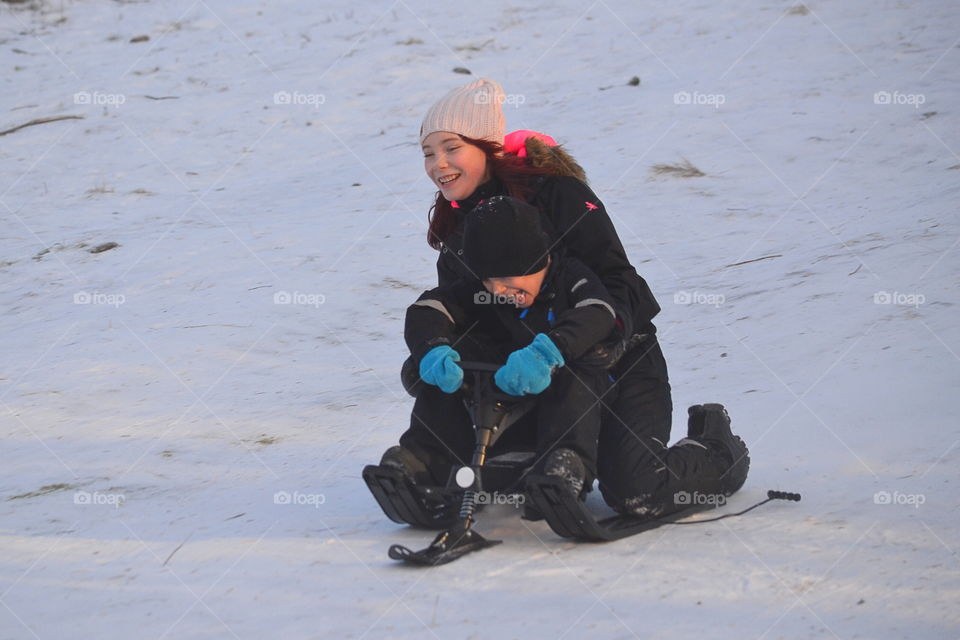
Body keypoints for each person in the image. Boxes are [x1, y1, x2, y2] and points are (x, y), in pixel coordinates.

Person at [382, 77, 748, 518]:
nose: (437, 164)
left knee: (638, 491)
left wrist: (585, 340)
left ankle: (716, 446)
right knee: (467, 409)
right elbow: (461, 308)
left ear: (486, 146)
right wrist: (436, 353)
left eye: (451, 147)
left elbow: (622, 282)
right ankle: (432, 464)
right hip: (534, 374)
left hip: (618, 360)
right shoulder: (460, 224)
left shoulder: (557, 193)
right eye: (427, 153)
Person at [393, 195, 620, 496]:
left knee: (580, 369)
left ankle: (566, 465)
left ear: (536, 259)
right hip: (507, 400)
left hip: (569, 408)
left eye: (505, 277)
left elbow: (597, 311)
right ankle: (424, 460)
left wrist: (549, 351)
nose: (497, 290)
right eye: (488, 280)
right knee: (446, 366)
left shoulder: (570, 278)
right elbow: (429, 308)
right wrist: (432, 348)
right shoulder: (485, 291)